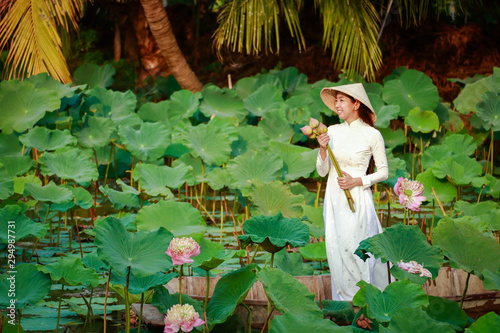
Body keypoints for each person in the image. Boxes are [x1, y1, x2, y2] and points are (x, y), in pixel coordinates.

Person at [316, 83, 389, 301]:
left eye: (342, 100)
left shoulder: (372, 135)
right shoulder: (331, 132)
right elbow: (322, 171)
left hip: (357, 197)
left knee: (359, 248)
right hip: (334, 198)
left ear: (356, 104)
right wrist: (321, 148)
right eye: (336, 100)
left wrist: (358, 181)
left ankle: (365, 300)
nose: (337, 105)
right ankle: (345, 302)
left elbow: (384, 172)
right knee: (337, 247)